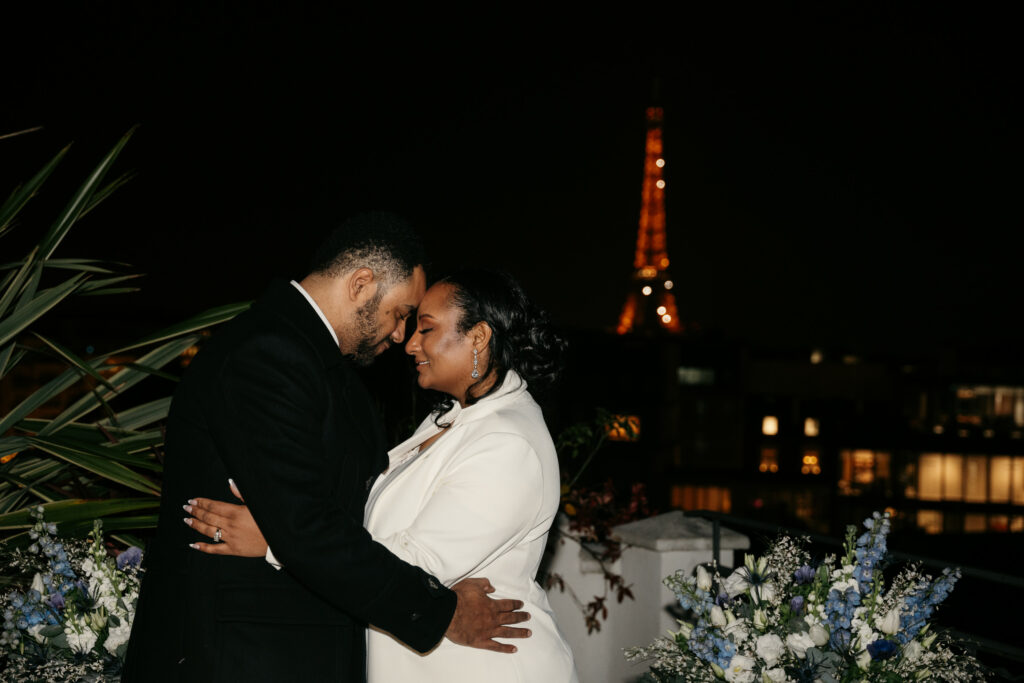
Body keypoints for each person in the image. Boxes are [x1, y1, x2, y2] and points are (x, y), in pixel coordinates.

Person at [122, 214, 530, 682]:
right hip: (239, 656)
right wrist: (443, 613)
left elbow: (331, 514)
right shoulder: (268, 352)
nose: (401, 336)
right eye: (400, 315)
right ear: (361, 284)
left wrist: (273, 540)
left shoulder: (323, 365)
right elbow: (308, 526)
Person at [186, 269, 579, 682]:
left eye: (426, 329)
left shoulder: (509, 442)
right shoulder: (454, 418)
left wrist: (276, 542)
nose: (409, 343)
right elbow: (370, 523)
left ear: (478, 337)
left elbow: (414, 563)